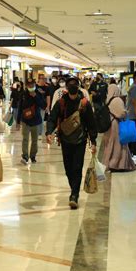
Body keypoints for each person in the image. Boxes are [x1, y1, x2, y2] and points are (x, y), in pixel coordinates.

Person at [46, 76, 98, 209]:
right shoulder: (61, 102)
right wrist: (49, 132)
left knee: (77, 167)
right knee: (68, 168)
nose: (73, 87)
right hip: (65, 140)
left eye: (75, 85)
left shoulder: (84, 103)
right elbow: (52, 118)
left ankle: (74, 195)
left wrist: (93, 141)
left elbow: (91, 123)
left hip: (80, 140)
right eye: (71, 85)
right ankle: (73, 189)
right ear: (67, 88)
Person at [101, 84, 136, 172]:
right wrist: (126, 112)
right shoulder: (117, 100)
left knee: (110, 145)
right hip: (116, 125)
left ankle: (109, 163)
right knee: (119, 145)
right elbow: (121, 113)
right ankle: (118, 164)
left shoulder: (108, 100)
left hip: (110, 124)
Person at [17, 79, 47, 164]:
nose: (31, 87)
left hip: (36, 121)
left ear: (35, 84)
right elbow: (20, 108)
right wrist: (18, 122)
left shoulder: (39, 93)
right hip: (25, 121)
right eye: (29, 85)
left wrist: (35, 96)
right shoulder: (23, 94)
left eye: (32, 85)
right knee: (25, 139)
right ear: (26, 86)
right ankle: (25, 156)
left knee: (35, 140)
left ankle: (33, 156)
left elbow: (43, 106)